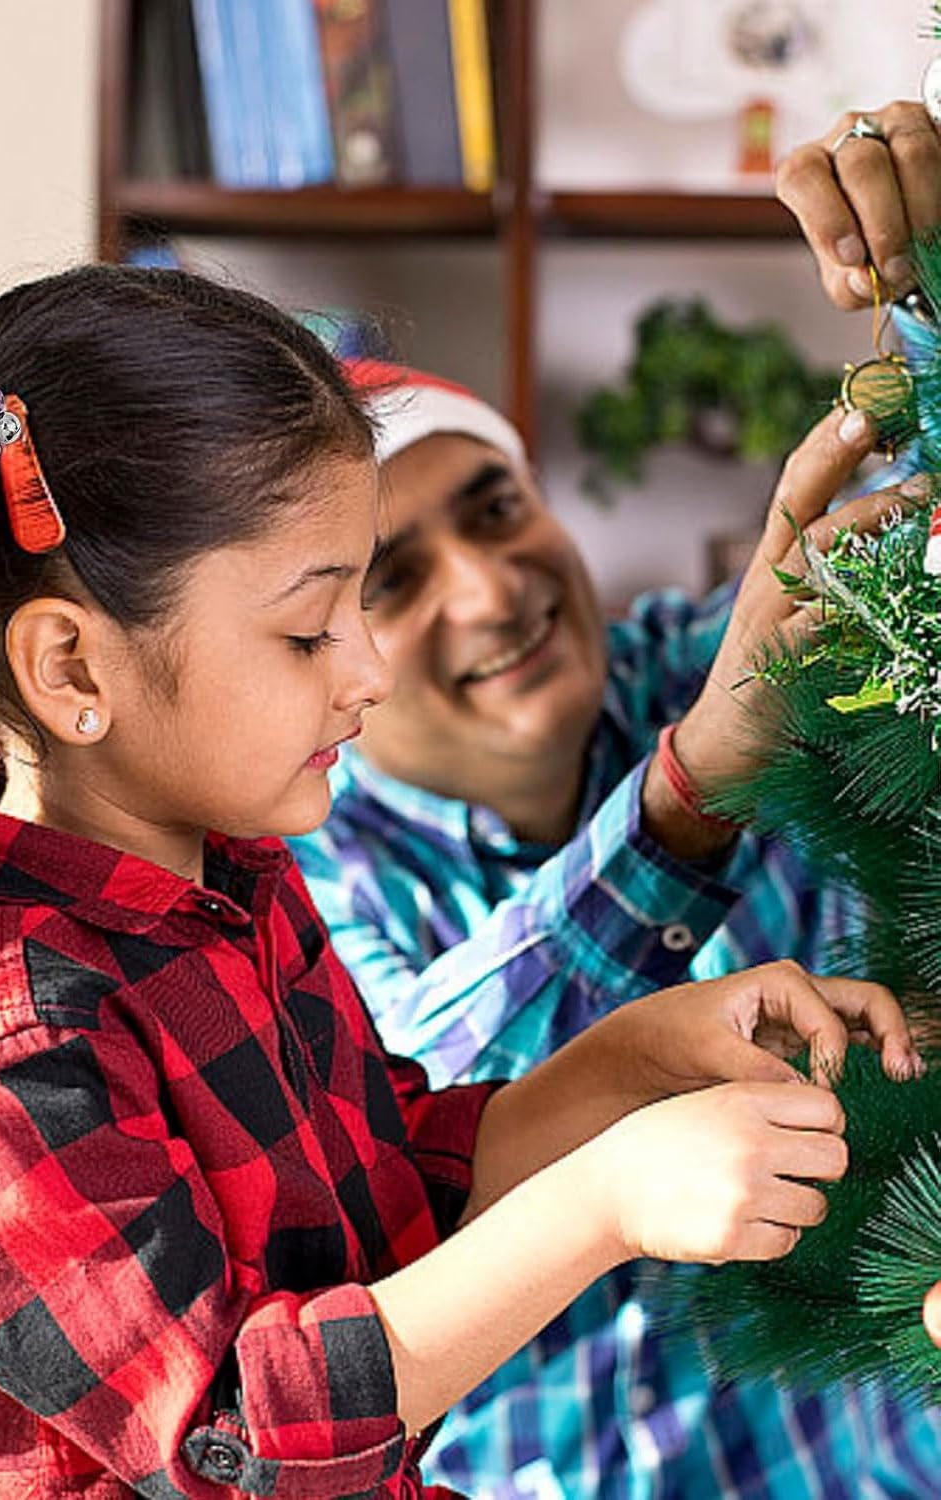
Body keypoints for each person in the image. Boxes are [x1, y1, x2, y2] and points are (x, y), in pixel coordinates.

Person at [0, 266, 907, 1498]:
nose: (369, 673)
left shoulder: (232, 874)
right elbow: (234, 1435)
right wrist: (609, 1201)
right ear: (73, 668)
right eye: (312, 629)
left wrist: (632, 1064)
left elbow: (393, 1191)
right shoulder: (1, 1033)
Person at [291, 102, 941, 1498]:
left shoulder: (699, 663)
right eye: (390, 581)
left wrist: (929, 293)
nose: (491, 584)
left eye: (496, 508)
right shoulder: (295, 869)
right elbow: (430, 1135)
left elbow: (913, 568)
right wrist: (689, 794)